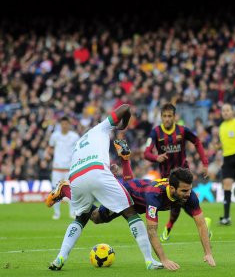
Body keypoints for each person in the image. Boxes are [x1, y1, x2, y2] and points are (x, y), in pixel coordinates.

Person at [47, 140, 216, 270]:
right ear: (172, 188)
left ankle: (124, 160)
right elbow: (152, 231)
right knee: (96, 217)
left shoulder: (189, 194)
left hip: (134, 188)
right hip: (124, 193)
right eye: (185, 191)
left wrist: (208, 253)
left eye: (189, 190)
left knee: (128, 198)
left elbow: (201, 224)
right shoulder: (155, 197)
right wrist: (164, 259)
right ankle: (65, 191)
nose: (189, 194)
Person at [48, 105, 163, 271]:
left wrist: (108, 170)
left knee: (82, 217)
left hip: (75, 177)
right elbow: (125, 107)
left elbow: (87, 163)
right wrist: (124, 123)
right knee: (129, 211)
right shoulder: (102, 127)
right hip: (96, 172)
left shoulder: (79, 142)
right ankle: (149, 260)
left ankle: (60, 257)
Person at [144, 103, 209, 241]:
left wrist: (205, 163)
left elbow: (197, 141)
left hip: (183, 173)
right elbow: (146, 153)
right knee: (177, 203)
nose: (167, 119)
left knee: (182, 200)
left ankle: (169, 227)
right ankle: (198, 222)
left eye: (169, 116)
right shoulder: (155, 132)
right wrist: (157, 157)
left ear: (174, 117)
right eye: (164, 116)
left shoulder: (182, 130)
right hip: (166, 175)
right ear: (161, 117)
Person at [44, 116, 79, 219]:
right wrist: (47, 154)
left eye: (66, 124)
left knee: (72, 190)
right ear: (60, 125)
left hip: (69, 168)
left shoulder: (74, 136)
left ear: (69, 124)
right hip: (57, 168)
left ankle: (72, 212)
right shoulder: (55, 136)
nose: (64, 125)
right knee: (56, 191)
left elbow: (78, 150)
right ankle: (57, 213)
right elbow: (50, 148)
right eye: (62, 124)